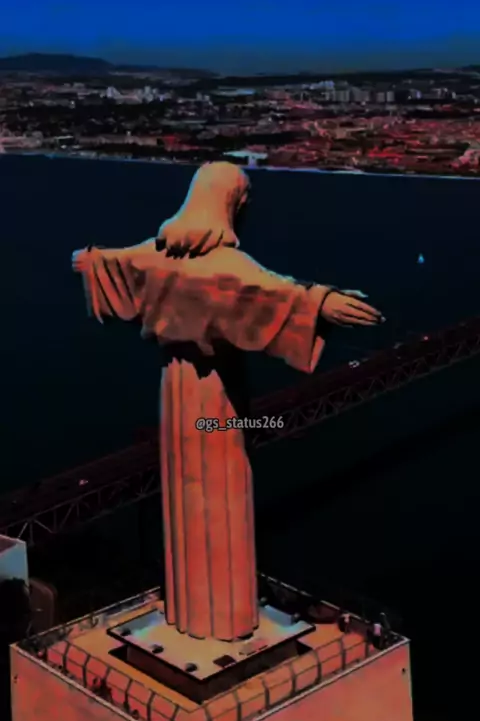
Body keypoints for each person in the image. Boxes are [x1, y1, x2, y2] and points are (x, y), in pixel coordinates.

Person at [72, 161, 385, 643]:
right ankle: (224, 624)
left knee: (187, 485)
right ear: (232, 204)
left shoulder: (155, 254)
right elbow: (269, 292)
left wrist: (88, 261)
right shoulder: (225, 265)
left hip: (175, 391)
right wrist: (323, 302)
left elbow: (112, 263)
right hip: (216, 396)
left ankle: (190, 615)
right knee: (223, 480)